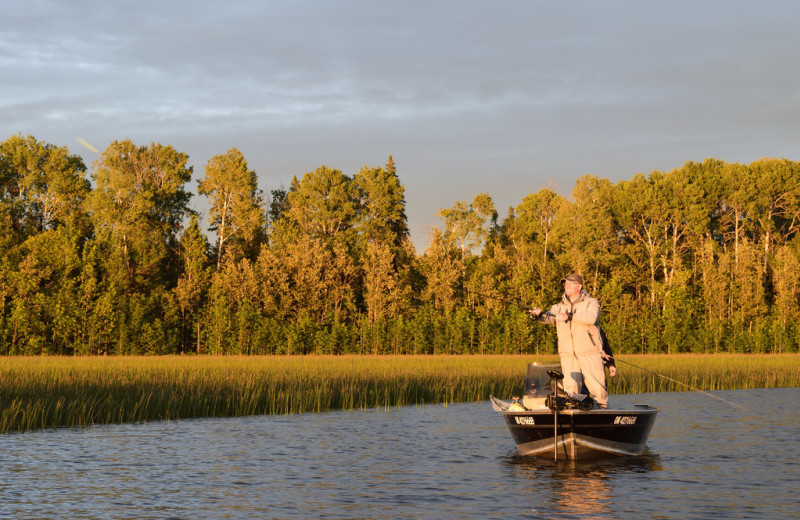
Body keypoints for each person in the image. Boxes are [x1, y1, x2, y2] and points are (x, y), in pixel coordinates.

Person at [529, 273, 611, 408]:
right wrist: (538, 314)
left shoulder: (591, 303)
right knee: (570, 388)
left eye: (570, 284)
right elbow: (548, 318)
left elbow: (591, 318)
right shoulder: (558, 306)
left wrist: (570, 316)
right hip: (567, 353)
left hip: (589, 351)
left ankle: (602, 410)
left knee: (597, 386)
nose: (566, 286)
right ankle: (573, 411)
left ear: (579, 286)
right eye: (565, 284)